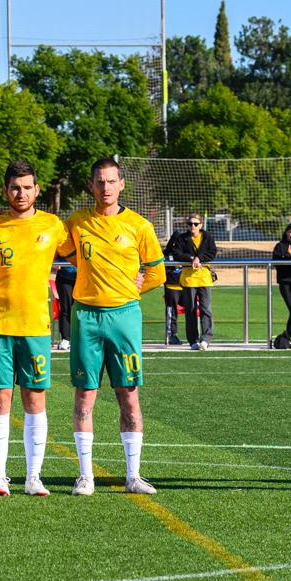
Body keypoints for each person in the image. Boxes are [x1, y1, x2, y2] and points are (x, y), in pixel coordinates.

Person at [57, 157, 165, 496]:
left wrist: (134, 287)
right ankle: (85, 475)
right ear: (91, 185)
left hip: (124, 318)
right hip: (86, 316)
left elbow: (157, 272)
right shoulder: (76, 222)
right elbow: (60, 250)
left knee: (128, 395)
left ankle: (133, 476)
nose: (105, 187)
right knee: (85, 394)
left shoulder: (140, 226)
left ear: (121, 185)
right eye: (99, 182)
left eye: (111, 181)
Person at [0, 160, 67, 497]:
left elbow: (85, 256)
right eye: (14, 187)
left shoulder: (53, 225)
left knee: (34, 398)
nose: (21, 193)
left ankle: (33, 477)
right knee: (0, 399)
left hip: (37, 327)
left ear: (37, 190)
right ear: (5, 191)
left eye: (27, 187)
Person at [168, 213, 216, 350]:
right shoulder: (182, 238)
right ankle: (193, 340)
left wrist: (199, 258)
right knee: (190, 310)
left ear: (201, 225)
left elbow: (212, 253)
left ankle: (206, 339)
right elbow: (177, 253)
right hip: (189, 279)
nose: (192, 227)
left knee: (206, 309)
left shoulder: (207, 237)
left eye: (195, 224)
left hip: (204, 278)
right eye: (190, 224)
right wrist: (191, 258)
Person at [54, 255, 76, 350]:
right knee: (65, 308)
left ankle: (81, 337)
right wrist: (54, 261)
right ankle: (65, 338)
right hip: (64, 276)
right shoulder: (62, 239)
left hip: (82, 277)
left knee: (83, 310)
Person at [161, 259, 184, 346]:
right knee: (171, 312)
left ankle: (194, 335)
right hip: (171, 285)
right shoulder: (168, 252)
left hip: (188, 284)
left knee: (192, 310)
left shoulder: (188, 249)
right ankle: (171, 335)